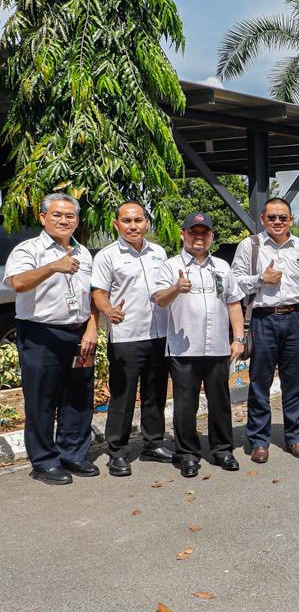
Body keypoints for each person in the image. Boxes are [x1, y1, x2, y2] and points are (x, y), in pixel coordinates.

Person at [4, 193, 99, 485]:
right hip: (41, 333)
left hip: (79, 333)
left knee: (78, 397)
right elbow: (18, 283)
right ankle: (44, 461)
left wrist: (91, 327)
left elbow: (91, 294)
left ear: (77, 221)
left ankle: (73, 454)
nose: (64, 220)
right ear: (43, 218)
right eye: (57, 215)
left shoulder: (84, 253)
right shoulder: (28, 249)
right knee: (41, 400)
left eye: (70, 216)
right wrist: (52, 267)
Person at [152, 213, 245, 478]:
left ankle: (222, 450)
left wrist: (238, 338)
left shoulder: (222, 267)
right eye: (194, 232)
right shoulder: (170, 266)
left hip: (217, 347)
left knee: (220, 402)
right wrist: (175, 288)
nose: (199, 237)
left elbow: (233, 303)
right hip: (184, 350)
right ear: (183, 234)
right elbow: (159, 299)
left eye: (205, 233)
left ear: (211, 237)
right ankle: (188, 455)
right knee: (185, 406)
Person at [91, 201, 173, 477]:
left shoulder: (159, 252)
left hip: (159, 334)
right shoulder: (107, 256)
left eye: (138, 220)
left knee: (155, 392)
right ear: (116, 224)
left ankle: (153, 443)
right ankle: (117, 452)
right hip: (126, 336)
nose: (133, 226)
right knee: (122, 396)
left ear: (146, 223)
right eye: (126, 221)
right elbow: (99, 292)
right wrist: (108, 310)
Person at [232, 197, 299, 463]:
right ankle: (259, 441)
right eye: (272, 217)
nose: (277, 222)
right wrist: (261, 279)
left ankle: (296, 437)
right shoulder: (250, 246)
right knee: (260, 383)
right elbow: (234, 283)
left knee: (295, 383)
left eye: (283, 217)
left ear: (291, 220)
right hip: (263, 319)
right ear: (263, 219)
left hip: (294, 319)